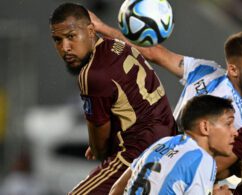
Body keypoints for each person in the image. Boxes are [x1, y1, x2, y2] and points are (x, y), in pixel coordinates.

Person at [90, 12, 242, 189]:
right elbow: (153, 52)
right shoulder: (206, 71)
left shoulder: (239, 118)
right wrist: (101, 27)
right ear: (233, 69)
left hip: (154, 163)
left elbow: (211, 171)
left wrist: (101, 27)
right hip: (152, 161)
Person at [49, 3, 177, 194]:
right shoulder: (117, 45)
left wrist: (97, 144)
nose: (65, 48)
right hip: (170, 142)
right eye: (57, 40)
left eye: (70, 37)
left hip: (138, 155)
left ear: (91, 31)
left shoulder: (92, 74)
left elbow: (99, 146)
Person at [109, 95, 237, 195]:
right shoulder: (203, 160)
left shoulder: (162, 142)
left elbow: (116, 189)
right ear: (205, 127)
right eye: (228, 124)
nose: (235, 132)